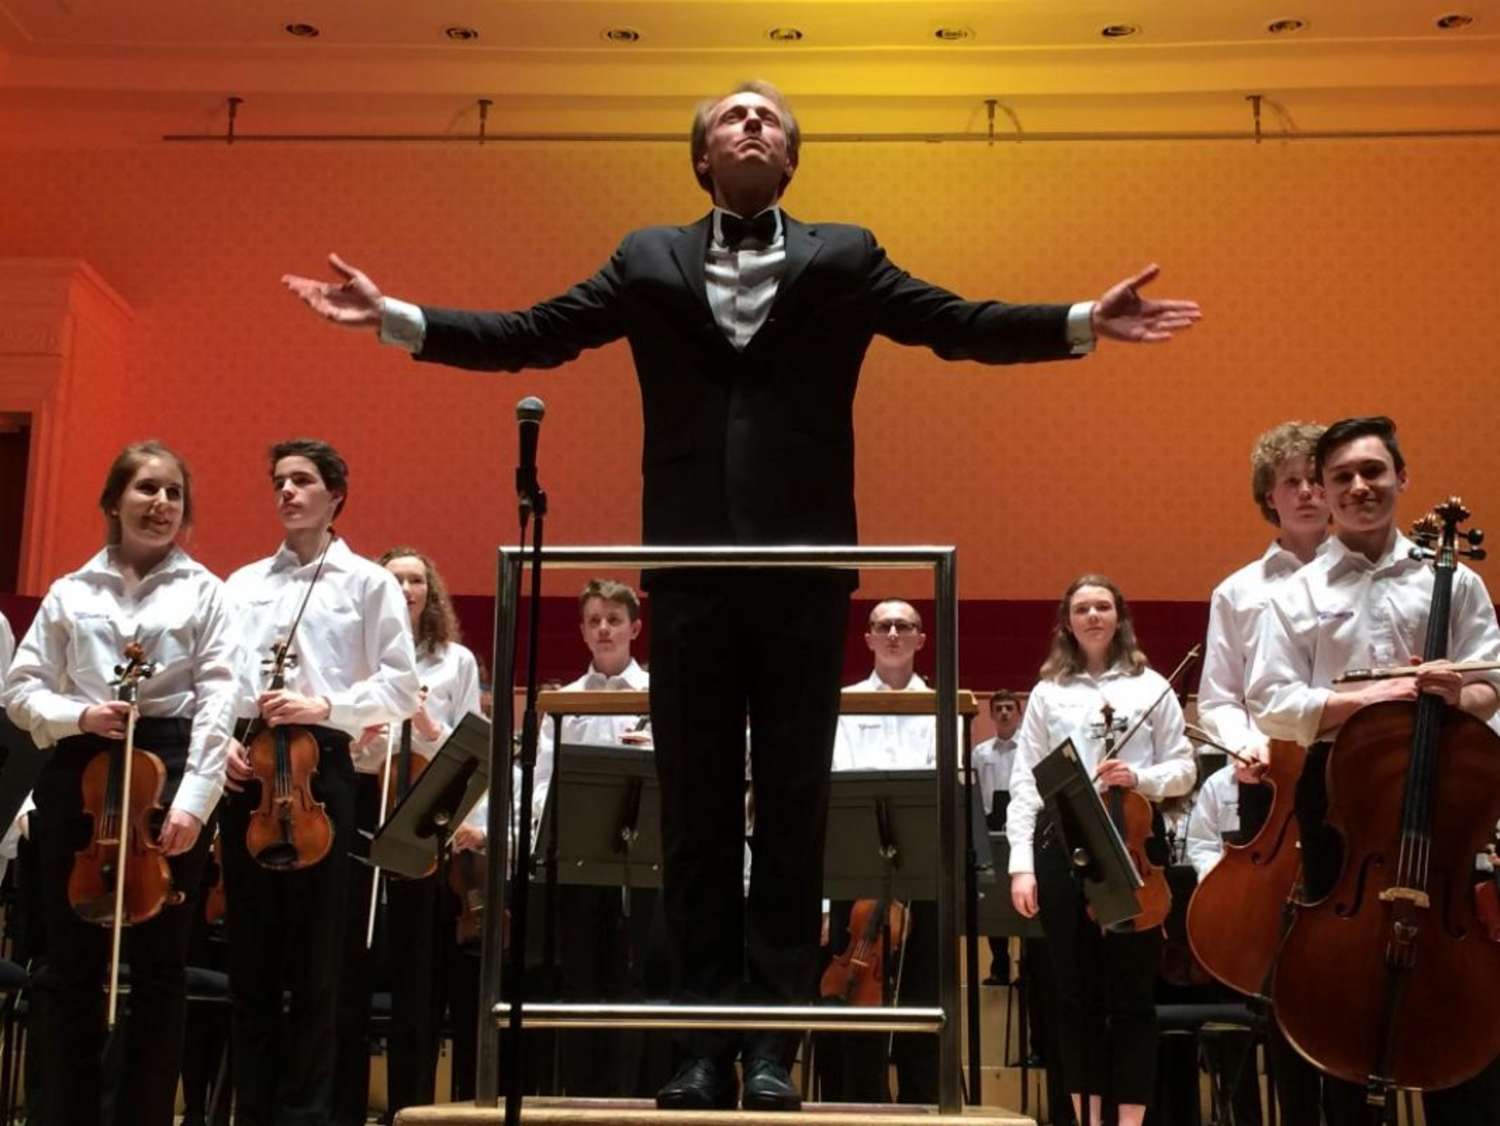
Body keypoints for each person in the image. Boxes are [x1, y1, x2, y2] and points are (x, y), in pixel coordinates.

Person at [282, 78, 1201, 1111]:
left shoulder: (845, 254)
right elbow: (531, 331)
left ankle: (771, 1047)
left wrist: (1082, 320)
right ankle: (699, 1044)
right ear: (703, 158)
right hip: (687, 577)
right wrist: (398, 319)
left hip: (807, 577)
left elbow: (957, 322)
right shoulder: (645, 258)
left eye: (770, 117)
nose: (753, 123)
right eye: (734, 116)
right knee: (699, 821)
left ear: (792, 160)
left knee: (795, 814)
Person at [1247, 415, 1500, 1126]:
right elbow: (1272, 703)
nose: (1360, 487)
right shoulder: (1292, 595)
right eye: (1342, 477)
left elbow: (1492, 685)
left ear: (1401, 479)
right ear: (1321, 493)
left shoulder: (1454, 582)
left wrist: (1462, 694)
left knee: (1457, 981)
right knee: (1340, 982)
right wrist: (1376, 696)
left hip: (1446, 800)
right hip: (1342, 799)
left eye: (1373, 472)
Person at [1, 440, 237, 1126]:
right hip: (80, 764)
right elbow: (22, 691)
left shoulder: (206, 592)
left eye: (173, 494)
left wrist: (196, 801)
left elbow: (220, 699)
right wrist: (81, 713)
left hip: (165, 765)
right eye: (147, 490)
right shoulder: (72, 592)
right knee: (64, 965)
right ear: (113, 502)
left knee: (160, 971)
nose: (162, 504)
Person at [221, 439, 420, 1126]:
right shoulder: (241, 584)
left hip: (324, 775)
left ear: (336, 494)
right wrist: (221, 743)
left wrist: (324, 707)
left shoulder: (371, 583)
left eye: (302, 481)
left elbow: (400, 685)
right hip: (246, 772)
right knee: (250, 964)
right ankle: (253, 1112)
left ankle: (307, 1116)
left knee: (317, 968)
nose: (286, 492)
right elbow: (220, 683)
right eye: (279, 480)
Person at [1007, 574, 1196, 1126]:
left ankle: (1131, 1122)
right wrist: (1021, 864)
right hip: (1062, 846)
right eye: (1082, 608)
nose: (1093, 616)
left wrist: (1141, 775)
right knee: (1073, 994)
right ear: (1067, 622)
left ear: (1119, 617)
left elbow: (1184, 768)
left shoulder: (1151, 686)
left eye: (1103, 607)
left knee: (1132, 996)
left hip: (1132, 842)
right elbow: (1026, 781)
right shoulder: (1048, 693)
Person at [1187, 419, 1327, 1124]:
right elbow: (1218, 698)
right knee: (1277, 973)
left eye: (1314, 478)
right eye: (1290, 482)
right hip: (1272, 795)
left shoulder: (1368, 574)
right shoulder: (1238, 592)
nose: (1306, 492)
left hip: (1356, 788)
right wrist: (1245, 746)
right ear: (1268, 497)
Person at [821, 599, 939, 1105]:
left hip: (923, 874)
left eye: (904, 626)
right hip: (854, 870)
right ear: (867, 638)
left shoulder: (942, 703)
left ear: (920, 639)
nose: (893, 633)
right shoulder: (842, 702)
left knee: (921, 997)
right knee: (853, 1005)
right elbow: (839, 780)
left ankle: (922, 1108)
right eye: (883, 626)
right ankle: (856, 1105)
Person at [973, 689, 1022, 985]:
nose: (1004, 713)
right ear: (991, 714)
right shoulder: (980, 753)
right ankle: (999, 966)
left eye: (1009, 708)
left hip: (1020, 831)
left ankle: (1026, 968)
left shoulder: (1028, 750)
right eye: (999, 708)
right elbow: (975, 793)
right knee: (994, 898)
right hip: (990, 832)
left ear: (1018, 713)